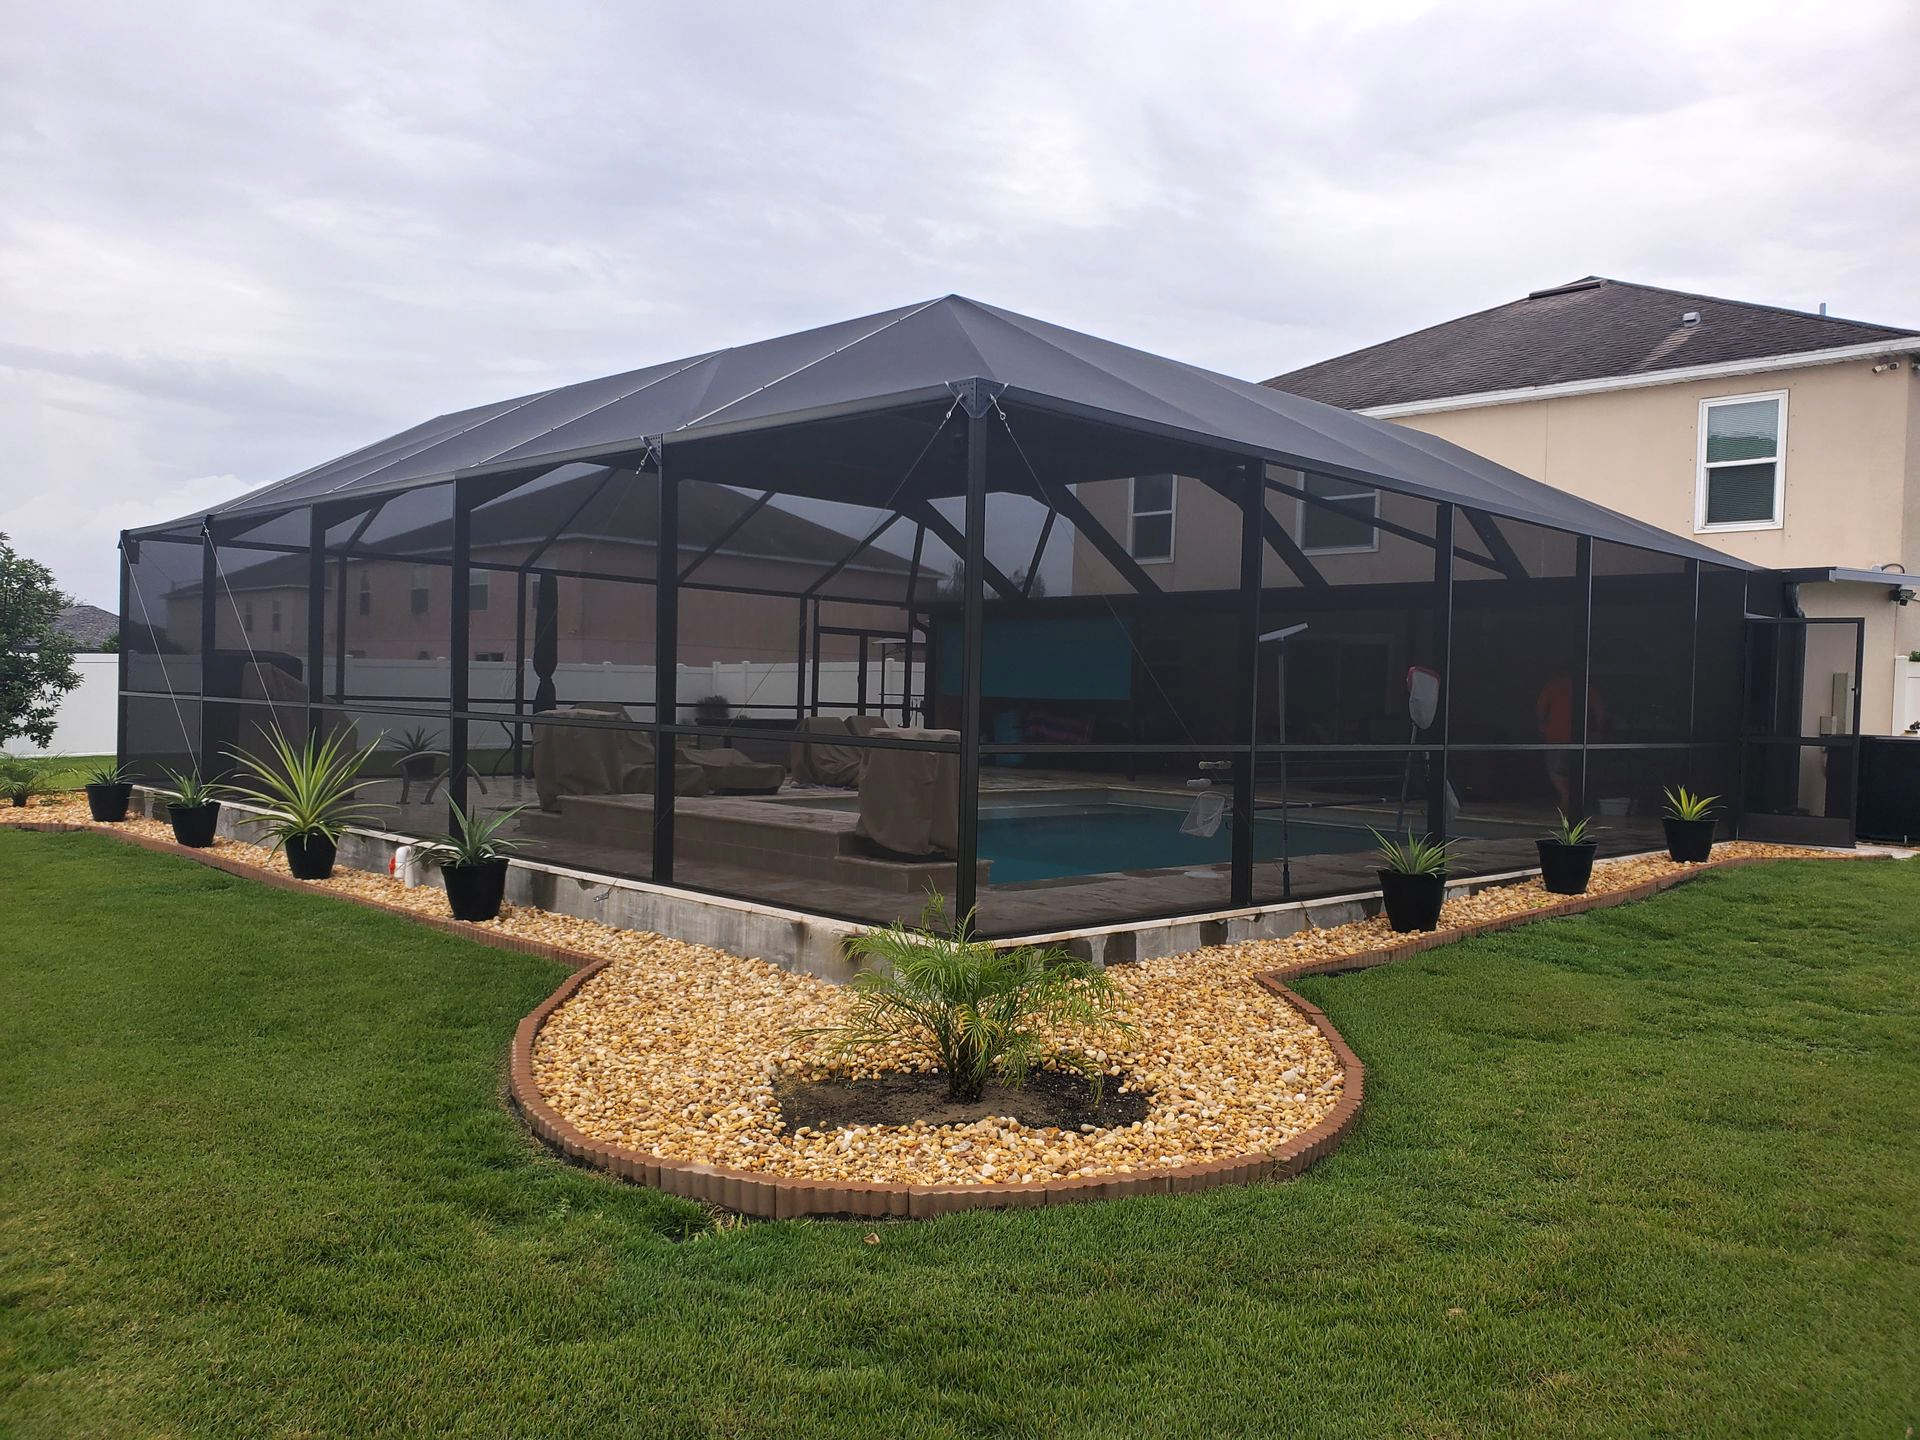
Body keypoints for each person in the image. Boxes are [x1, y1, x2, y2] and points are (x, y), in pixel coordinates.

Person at [1535, 674, 1605, 809]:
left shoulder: (1553, 685)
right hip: (1578, 737)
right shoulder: (1585, 686)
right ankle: (1570, 798)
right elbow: (1599, 710)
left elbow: (1540, 709)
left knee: (1554, 769)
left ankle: (1567, 796)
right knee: (1573, 770)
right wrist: (1598, 730)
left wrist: (1542, 726)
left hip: (1557, 736)